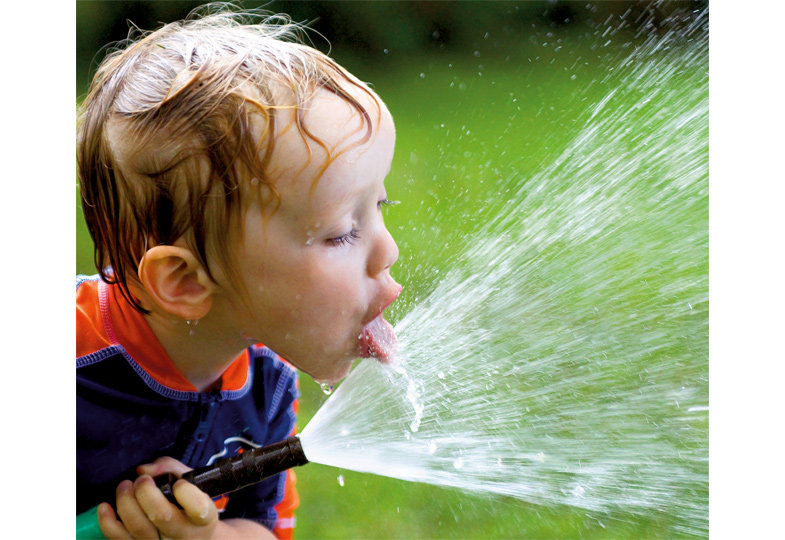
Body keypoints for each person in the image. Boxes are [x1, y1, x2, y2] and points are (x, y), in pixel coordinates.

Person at [77, 6, 402, 539]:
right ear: (185, 282)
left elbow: (265, 527)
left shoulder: (267, 383)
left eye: (381, 209)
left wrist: (206, 536)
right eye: (342, 230)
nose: (386, 251)